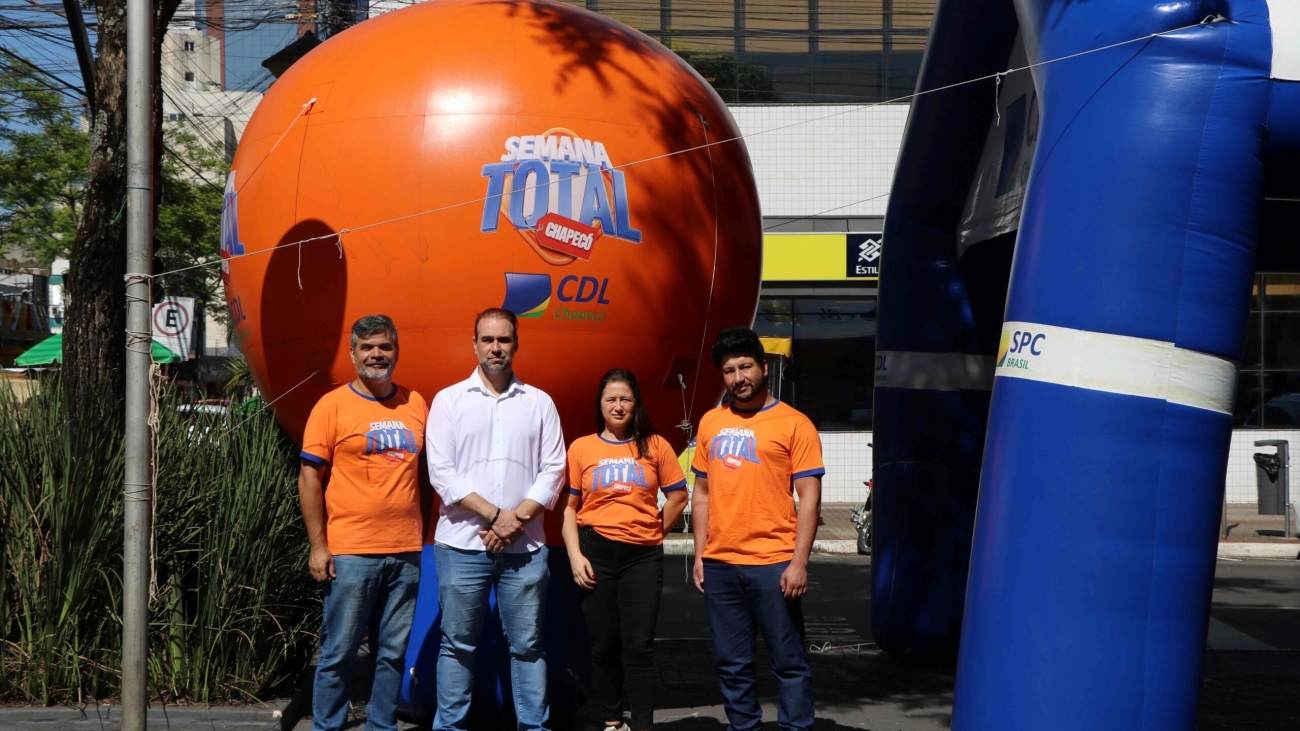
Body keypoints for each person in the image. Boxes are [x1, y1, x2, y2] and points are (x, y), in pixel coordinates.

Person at [425, 308, 566, 731]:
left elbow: (553, 468)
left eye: (503, 340)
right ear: (474, 345)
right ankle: (449, 728)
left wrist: (515, 520)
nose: (496, 348)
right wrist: (496, 516)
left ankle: (533, 728)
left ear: (516, 344)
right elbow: (442, 473)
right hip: (461, 545)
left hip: (525, 548)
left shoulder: (540, 403)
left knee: (527, 646)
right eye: (487, 340)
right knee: (457, 646)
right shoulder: (448, 401)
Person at [690, 327, 825, 731]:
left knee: (788, 661)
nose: (738, 377)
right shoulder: (711, 422)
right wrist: (700, 554)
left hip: (773, 563)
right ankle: (743, 727)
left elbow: (810, 499)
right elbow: (701, 495)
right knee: (731, 663)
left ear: (763, 367)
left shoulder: (794, 424)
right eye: (729, 370)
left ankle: (795, 727)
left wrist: (799, 562)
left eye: (745, 366)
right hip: (720, 564)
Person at [299, 315, 426, 731]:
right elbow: (309, 478)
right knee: (339, 651)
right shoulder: (332, 405)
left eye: (385, 347)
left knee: (392, 653)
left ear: (396, 352)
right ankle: (327, 726)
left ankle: (381, 726)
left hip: (406, 550)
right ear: (353, 353)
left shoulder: (416, 403)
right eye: (368, 347)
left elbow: (430, 473)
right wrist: (319, 545)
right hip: (351, 552)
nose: (377, 354)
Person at [560, 369, 689, 731]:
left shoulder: (656, 445)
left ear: (636, 403)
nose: (618, 406)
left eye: (625, 399)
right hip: (595, 553)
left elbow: (679, 496)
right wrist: (575, 555)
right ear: (600, 404)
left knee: (639, 646)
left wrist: (652, 530)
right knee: (604, 645)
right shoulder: (582, 448)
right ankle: (612, 721)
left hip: (642, 557)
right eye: (611, 399)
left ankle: (644, 725)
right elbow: (569, 509)